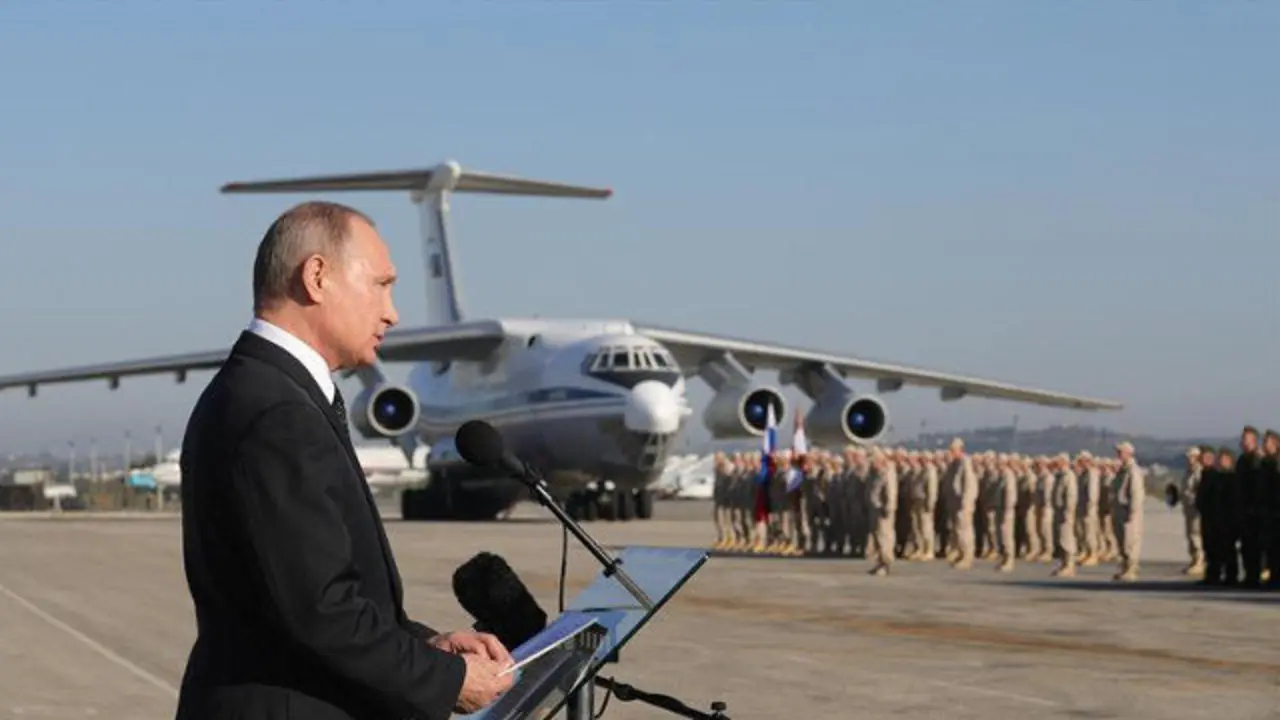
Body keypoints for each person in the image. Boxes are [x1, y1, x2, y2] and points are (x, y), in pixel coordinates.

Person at [175, 202, 513, 720]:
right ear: (316, 277)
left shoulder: (266, 391)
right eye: (381, 285)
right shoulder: (276, 412)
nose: (392, 313)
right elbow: (321, 613)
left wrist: (426, 647)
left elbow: (308, 599)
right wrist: (448, 680)